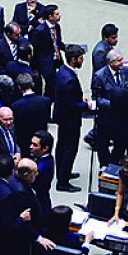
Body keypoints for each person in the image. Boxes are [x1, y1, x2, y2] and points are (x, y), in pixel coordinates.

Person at [54, 43, 89, 192]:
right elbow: (72, 104)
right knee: (69, 149)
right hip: (70, 119)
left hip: (62, 116)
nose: (82, 61)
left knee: (62, 146)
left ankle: (63, 173)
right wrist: (86, 105)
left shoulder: (62, 71)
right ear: (73, 60)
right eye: (80, 58)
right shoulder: (70, 80)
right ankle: (63, 182)